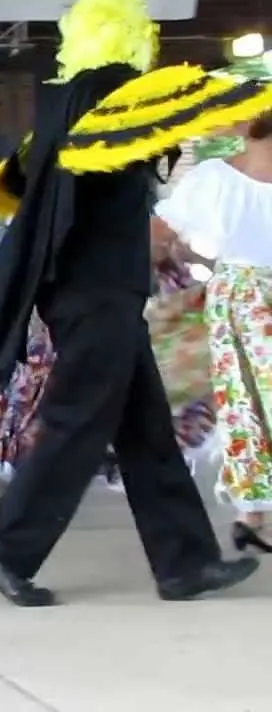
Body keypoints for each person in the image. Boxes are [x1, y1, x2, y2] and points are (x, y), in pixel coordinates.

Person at [0, 0, 258, 606]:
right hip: (98, 291)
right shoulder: (118, 94)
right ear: (132, 38)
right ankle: (4, 547)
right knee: (76, 425)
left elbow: (45, 187)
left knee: (144, 430)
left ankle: (184, 562)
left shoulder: (67, 106)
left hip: (91, 288)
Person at [0, 154, 218, 492]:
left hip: (108, 297)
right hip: (94, 295)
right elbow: (151, 239)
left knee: (100, 381)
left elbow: (155, 241)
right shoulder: (93, 189)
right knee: (70, 380)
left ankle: (66, 445)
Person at [153, 110, 272, 553]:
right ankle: (250, 513)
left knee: (243, 403)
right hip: (245, 300)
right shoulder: (213, 178)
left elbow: (162, 234)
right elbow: (163, 234)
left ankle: (251, 515)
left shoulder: (213, 179)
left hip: (236, 297)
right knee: (246, 403)